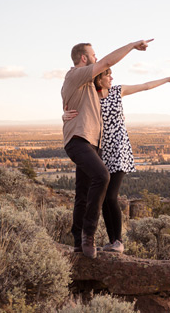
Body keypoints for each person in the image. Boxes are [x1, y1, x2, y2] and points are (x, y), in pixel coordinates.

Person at [64, 70, 170, 253]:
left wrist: (167, 79)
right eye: (108, 75)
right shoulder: (90, 99)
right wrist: (63, 117)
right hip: (101, 151)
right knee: (102, 199)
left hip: (119, 150)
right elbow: (73, 115)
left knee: (111, 196)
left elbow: (145, 86)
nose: (112, 78)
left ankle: (118, 241)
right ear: (99, 79)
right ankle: (112, 242)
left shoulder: (117, 91)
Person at [61, 39, 152, 258]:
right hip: (78, 140)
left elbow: (86, 100)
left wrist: (63, 114)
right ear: (84, 58)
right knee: (102, 176)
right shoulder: (76, 74)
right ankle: (88, 235)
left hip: (93, 143)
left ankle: (77, 242)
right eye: (93, 55)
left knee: (82, 194)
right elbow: (108, 61)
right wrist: (131, 46)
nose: (96, 58)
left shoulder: (90, 85)